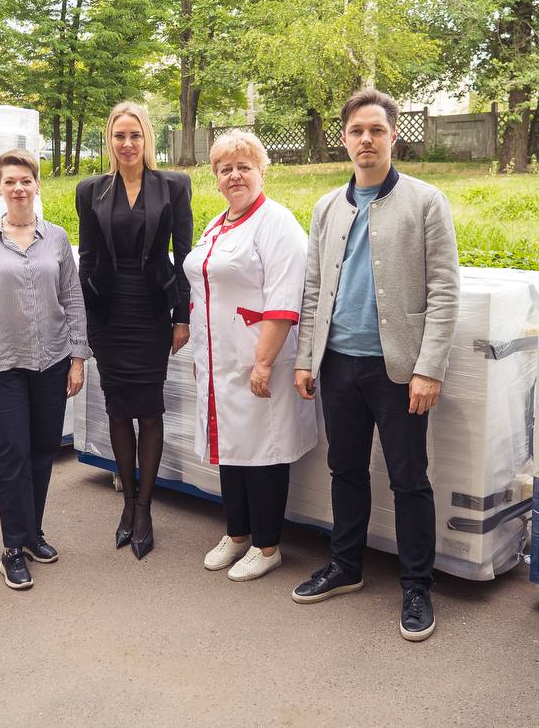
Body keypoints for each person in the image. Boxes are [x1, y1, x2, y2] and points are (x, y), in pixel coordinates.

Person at [292, 88, 459, 642]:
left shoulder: (425, 202)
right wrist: (306, 358)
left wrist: (429, 368)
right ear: (344, 139)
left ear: (393, 137)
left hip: (399, 370)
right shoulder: (327, 207)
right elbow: (313, 288)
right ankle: (347, 565)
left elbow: (444, 292)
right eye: (357, 131)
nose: (366, 139)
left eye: (377, 130)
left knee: (409, 478)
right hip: (338, 364)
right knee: (345, 470)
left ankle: (416, 586)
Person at [183, 131, 315, 582]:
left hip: (259, 361)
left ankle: (267, 545)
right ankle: (237, 533)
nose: (235, 176)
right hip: (219, 362)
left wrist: (263, 362)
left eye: (244, 167)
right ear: (216, 178)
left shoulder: (277, 223)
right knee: (233, 451)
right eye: (225, 169)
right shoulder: (217, 224)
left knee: (264, 453)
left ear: (262, 171)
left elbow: (285, 298)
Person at [0, 149, 89, 591]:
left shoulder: (56, 238)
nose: (18, 188)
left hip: (51, 360)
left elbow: (72, 298)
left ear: (37, 186)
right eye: (10, 181)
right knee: (12, 453)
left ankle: (32, 533)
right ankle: (12, 547)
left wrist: (77, 357)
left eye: (26, 181)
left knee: (43, 449)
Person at [76, 102, 192, 559]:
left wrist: (181, 316)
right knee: (118, 408)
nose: (127, 144)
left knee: (149, 408)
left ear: (147, 139)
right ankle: (127, 503)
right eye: (119, 136)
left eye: (135, 135)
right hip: (108, 313)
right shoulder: (91, 190)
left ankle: (144, 509)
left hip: (150, 311)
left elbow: (183, 254)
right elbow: (87, 258)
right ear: (110, 140)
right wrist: (87, 319)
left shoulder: (173, 186)